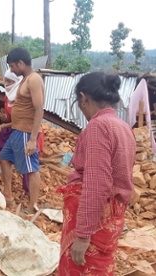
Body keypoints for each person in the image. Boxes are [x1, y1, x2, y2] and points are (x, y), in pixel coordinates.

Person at [57, 72, 136, 275]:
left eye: (79, 102)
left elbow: (97, 183)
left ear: (84, 98)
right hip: (110, 216)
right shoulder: (124, 127)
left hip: (93, 220)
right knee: (101, 266)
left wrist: (83, 236)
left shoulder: (98, 126)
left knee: (81, 268)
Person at [0, 47, 45, 214]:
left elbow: (39, 110)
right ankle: (8, 195)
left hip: (26, 133)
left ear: (21, 63)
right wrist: (6, 125)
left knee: (31, 169)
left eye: (12, 66)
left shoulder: (33, 80)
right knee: (4, 158)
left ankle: (32, 207)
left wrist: (33, 139)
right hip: (16, 131)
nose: (11, 70)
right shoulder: (25, 79)